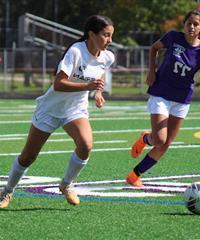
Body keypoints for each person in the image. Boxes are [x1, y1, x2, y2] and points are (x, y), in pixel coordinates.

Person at [0, 15, 115, 208]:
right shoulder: (76, 51)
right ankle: (7, 191)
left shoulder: (108, 57)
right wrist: (88, 86)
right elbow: (59, 84)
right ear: (91, 34)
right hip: (50, 110)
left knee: (86, 145)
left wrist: (98, 91)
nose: (110, 40)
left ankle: (67, 184)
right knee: (28, 156)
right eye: (106, 35)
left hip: (75, 110)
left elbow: (100, 71)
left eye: (111, 35)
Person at [126, 9, 200, 187]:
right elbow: (154, 48)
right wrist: (151, 71)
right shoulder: (173, 37)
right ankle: (146, 139)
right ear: (184, 25)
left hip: (182, 99)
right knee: (160, 139)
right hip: (161, 92)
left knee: (166, 143)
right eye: (189, 23)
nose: (191, 27)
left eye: (196, 24)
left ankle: (134, 175)